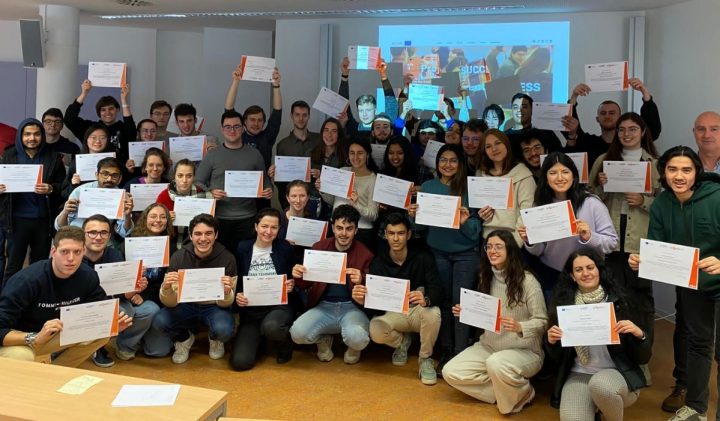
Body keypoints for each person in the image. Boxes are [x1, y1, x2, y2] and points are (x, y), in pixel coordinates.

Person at [628, 146, 720, 421]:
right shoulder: (661, 204)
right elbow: (658, 248)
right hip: (693, 287)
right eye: (672, 169)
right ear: (664, 172)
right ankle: (696, 408)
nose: (679, 176)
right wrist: (643, 260)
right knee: (698, 346)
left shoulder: (716, 197)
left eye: (686, 170)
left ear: (696, 173)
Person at [443, 230, 547, 414]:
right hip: (489, 346)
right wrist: (466, 312)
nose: (492, 251)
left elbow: (543, 321)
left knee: (496, 364)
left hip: (525, 351)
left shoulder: (528, 282)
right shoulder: (486, 276)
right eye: (489, 247)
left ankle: (515, 395)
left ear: (510, 250)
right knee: (450, 372)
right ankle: (515, 391)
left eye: (498, 247)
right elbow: (485, 315)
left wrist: (520, 326)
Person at [0, 226, 132, 367]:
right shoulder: (27, 281)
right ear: (53, 252)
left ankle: (57, 372)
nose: (71, 258)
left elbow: (100, 310)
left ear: (83, 252)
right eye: (64, 252)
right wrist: (33, 338)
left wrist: (112, 324)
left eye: (77, 252)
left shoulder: (88, 276)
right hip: (21, 338)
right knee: (22, 356)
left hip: (54, 335)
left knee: (101, 334)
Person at [547, 249, 650, 421]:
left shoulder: (621, 301)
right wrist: (551, 342)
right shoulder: (564, 307)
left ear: (599, 270)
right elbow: (556, 359)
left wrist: (640, 335)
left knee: (601, 386)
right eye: (578, 270)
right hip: (580, 373)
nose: (585, 273)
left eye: (590, 267)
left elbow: (643, 358)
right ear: (572, 276)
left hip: (618, 373)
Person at [589, 113, 660, 349]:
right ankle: (613, 353)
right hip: (610, 241)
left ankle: (641, 353)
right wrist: (602, 186)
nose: (626, 134)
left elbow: (665, 204)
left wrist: (643, 201)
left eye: (632, 129)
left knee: (642, 299)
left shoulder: (655, 164)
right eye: (622, 130)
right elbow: (589, 200)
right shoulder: (603, 161)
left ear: (643, 132)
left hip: (639, 242)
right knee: (610, 296)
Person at [408, 143, 481, 372]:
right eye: (443, 160)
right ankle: (447, 350)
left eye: (453, 160)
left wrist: (464, 222)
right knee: (444, 302)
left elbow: (476, 231)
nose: (447, 165)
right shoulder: (428, 186)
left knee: (461, 305)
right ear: (437, 163)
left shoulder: (469, 189)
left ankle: (460, 352)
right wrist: (412, 216)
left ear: (461, 164)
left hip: (466, 254)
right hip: (438, 252)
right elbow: (420, 227)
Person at [353, 212, 442, 385]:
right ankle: (402, 342)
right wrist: (364, 301)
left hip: (417, 311)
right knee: (375, 328)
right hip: (394, 313)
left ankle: (425, 359)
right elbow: (376, 309)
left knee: (434, 313)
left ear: (408, 234)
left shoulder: (423, 257)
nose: (395, 238)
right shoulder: (378, 263)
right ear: (385, 235)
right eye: (391, 233)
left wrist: (426, 298)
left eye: (400, 233)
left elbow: (438, 289)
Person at [519, 152, 618, 299]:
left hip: (588, 275)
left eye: (565, 172)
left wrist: (590, 236)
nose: (560, 178)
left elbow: (612, 243)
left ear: (574, 175)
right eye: (553, 173)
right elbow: (539, 251)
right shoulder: (540, 206)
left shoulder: (591, 203)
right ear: (545, 177)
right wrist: (530, 241)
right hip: (552, 276)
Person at [290, 205, 374, 364]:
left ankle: (354, 347)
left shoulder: (365, 254)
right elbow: (304, 284)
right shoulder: (319, 247)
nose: (344, 233)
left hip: (352, 308)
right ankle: (323, 340)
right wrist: (297, 275)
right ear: (333, 228)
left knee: (357, 338)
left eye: (349, 229)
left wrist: (362, 280)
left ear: (356, 230)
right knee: (297, 334)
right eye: (340, 228)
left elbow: (373, 293)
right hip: (323, 307)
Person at [82, 214, 170, 365]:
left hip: (113, 301)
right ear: (83, 235)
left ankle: (124, 344)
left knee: (149, 309)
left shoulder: (114, 254)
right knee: (122, 311)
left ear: (109, 236)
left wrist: (133, 289)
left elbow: (121, 292)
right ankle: (96, 347)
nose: (98, 237)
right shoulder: (75, 257)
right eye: (92, 232)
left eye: (103, 233)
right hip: (85, 306)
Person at [152, 213, 237, 364]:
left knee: (224, 329)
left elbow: (226, 304)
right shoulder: (178, 257)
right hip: (185, 306)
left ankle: (215, 339)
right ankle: (184, 339)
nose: (203, 238)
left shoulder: (228, 258)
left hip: (214, 307)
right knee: (160, 321)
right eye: (198, 234)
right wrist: (166, 288)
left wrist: (226, 292)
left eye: (208, 233)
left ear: (216, 235)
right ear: (190, 236)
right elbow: (170, 303)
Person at [195, 110, 272, 254]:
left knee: (244, 257)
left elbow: (265, 180)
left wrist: (268, 189)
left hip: (248, 217)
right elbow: (198, 182)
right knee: (221, 257)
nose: (232, 130)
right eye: (228, 127)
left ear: (243, 128)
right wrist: (210, 193)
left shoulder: (254, 154)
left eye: (236, 126)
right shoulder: (212, 155)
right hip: (218, 217)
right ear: (222, 129)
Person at [0, 118, 66, 282]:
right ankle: (8, 296)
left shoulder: (53, 157)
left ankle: (37, 295)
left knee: (40, 264)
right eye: (27, 134)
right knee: (13, 265)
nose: (32, 138)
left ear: (42, 135)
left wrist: (51, 188)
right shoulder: (9, 155)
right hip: (16, 220)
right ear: (20, 136)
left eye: (36, 134)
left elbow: (63, 187)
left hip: (43, 219)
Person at [231, 208, 297, 371]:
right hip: (251, 311)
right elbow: (238, 279)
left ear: (279, 229)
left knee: (271, 327)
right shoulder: (243, 247)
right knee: (240, 362)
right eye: (264, 226)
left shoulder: (285, 248)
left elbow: (294, 275)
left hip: (279, 307)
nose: (268, 231)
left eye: (274, 227)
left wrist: (292, 283)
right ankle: (259, 339)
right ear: (256, 226)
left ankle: (285, 344)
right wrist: (238, 295)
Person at [566, 78, 661, 166]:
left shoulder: (630, 142)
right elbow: (571, 126)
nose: (607, 116)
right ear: (597, 119)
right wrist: (574, 96)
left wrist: (644, 92)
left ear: (620, 118)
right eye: (603, 113)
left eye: (612, 113)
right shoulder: (589, 143)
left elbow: (652, 130)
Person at [55, 157, 135, 246]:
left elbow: (124, 232)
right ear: (97, 175)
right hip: (77, 238)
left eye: (114, 175)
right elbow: (60, 227)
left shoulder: (121, 196)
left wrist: (127, 215)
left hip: (101, 240)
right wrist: (65, 212)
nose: (109, 179)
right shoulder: (80, 191)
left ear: (120, 178)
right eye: (105, 174)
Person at [476, 129, 536, 246]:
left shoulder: (523, 174)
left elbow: (527, 214)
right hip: (487, 240)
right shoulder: (480, 175)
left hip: (514, 241)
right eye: (488, 146)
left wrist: (512, 245)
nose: (494, 149)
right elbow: (478, 213)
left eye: (498, 143)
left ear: (506, 144)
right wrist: (482, 216)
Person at [318, 137, 379, 248]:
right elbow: (333, 202)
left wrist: (356, 205)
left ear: (367, 155)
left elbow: (373, 215)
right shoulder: (342, 171)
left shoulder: (373, 179)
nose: (355, 157)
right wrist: (322, 190)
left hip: (361, 232)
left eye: (360, 153)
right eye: (352, 153)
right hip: (338, 229)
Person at [64, 81, 136, 167]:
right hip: (90, 169)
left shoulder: (124, 128)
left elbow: (131, 129)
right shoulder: (91, 128)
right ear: (99, 113)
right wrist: (83, 94)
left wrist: (123, 100)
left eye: (111, 109)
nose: (107, 112)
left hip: (118, 171)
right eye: (103, 110)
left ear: (117, 110)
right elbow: (69, 119)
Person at [224, 64, 283, 168]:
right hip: (238, 177)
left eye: (260, 120)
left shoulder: (267, 137)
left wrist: (276, 86)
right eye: (252, 120)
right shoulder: (237, 135)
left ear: (264, 123)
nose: (256, 124)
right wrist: (236, 81)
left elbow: (277, 112)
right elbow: (228, 109)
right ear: (244, 122)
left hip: (263, 177)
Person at [339, 57, 399, 142]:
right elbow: (343, 105)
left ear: (375, 109)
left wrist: (383, 75)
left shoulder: (387, 126)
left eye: (368, 110)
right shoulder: (353, 128)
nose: (364, 114)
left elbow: (391, 101)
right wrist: (345, 75)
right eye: (361, 110)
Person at [273, 100, 320, 208]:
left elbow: (328, 164)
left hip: (316, 199)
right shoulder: (283, 145)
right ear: (291, 116)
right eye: (297, 115)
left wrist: (320, 174)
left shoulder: (319, 140)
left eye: (304, 115)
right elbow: (280, 181)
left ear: (309, 116)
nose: (301, 119)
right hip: (292, 201)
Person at [155, 158, 208, 250]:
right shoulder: (163, 197)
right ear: (174, 177)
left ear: (194, 177)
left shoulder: (203, 194)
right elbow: (155, 225)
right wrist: (165, 220)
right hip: (171, 241)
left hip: (197, 240)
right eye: (180, 176)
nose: (184, 180)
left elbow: (208, 224)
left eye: (189, 176)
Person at [62, 124, 114, 200]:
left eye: (102, 138)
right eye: (93, 137)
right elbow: (64, 193)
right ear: (86, 140)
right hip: (82, 202)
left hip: (106, 201)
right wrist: (73, 185)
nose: (98, 141)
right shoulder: (76, 163)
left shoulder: (113, 162)